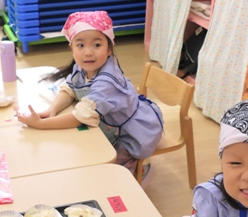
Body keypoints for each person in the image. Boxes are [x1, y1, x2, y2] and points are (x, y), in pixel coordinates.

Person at [16, 10, 163, 177]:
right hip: (111, 124)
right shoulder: (82, 66)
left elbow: (80, 117)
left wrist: (41, 124)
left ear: (109, 49)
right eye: (80, 45)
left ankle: (142, 171)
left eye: (97, 45)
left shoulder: (107, 83)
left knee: (110, 169)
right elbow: (70, 88)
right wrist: (52, 109)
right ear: (71, 47)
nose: (88, 52)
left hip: (133, 132)